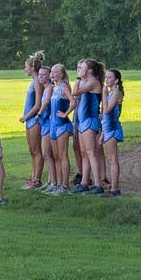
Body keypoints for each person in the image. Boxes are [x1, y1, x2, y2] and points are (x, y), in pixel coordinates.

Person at [71, 59, 106, 195]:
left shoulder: (93, 82)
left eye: (82, 68)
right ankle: (84, 182)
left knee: (91, 153)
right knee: (84, 153)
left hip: (90, 121)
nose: (79, 70)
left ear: (89, 71)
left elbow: (75, 92)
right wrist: (80, 78)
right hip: (82, 121)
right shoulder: (85, 81)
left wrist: (79, 78)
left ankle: (98, 185)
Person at [41, 64, 74, 195]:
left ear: (61, 74)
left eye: (55, 72)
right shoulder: (54, 88)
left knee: (62, 155)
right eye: (52, 72)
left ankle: (65, 186)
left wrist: (65, 114)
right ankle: (58, 184)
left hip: (62, 126)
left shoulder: (64, 87)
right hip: (53, 126)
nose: (52, 74)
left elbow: (73, 102)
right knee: (56, 156)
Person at [19, 51, 46, 189]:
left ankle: (37, 179)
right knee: (32, 150)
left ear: (32, 68)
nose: (24, 69)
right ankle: (33, 176)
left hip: (34, 120)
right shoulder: (32, 82)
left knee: (37, 150)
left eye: (26, 66)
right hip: (29, 121)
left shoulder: (38, 83)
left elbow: (37, 105)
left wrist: (26, 117)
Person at [101, 68, 124, 197]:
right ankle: (113, 188)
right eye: (106, 78)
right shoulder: (112, 93)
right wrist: (103, 132)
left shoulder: (116, 93)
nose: (106, 80)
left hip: (113, 128)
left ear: (116, 80)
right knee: (111, 159)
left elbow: (107, 110)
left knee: (113, 159)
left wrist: (104, 94)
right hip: (108, 128)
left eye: (110, 78)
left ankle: (115, 189)